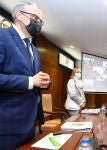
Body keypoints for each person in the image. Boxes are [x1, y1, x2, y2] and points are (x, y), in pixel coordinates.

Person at [0, 2, 50, 150]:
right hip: (8, 126)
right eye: (35, 17)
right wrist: (30, 81)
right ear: (19, 15)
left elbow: (35, 79)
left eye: (41, 21)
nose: (38, 23)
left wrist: (44, 82)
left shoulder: (34, 49)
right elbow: (30, 80)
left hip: (31, 123)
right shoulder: (2, 36)